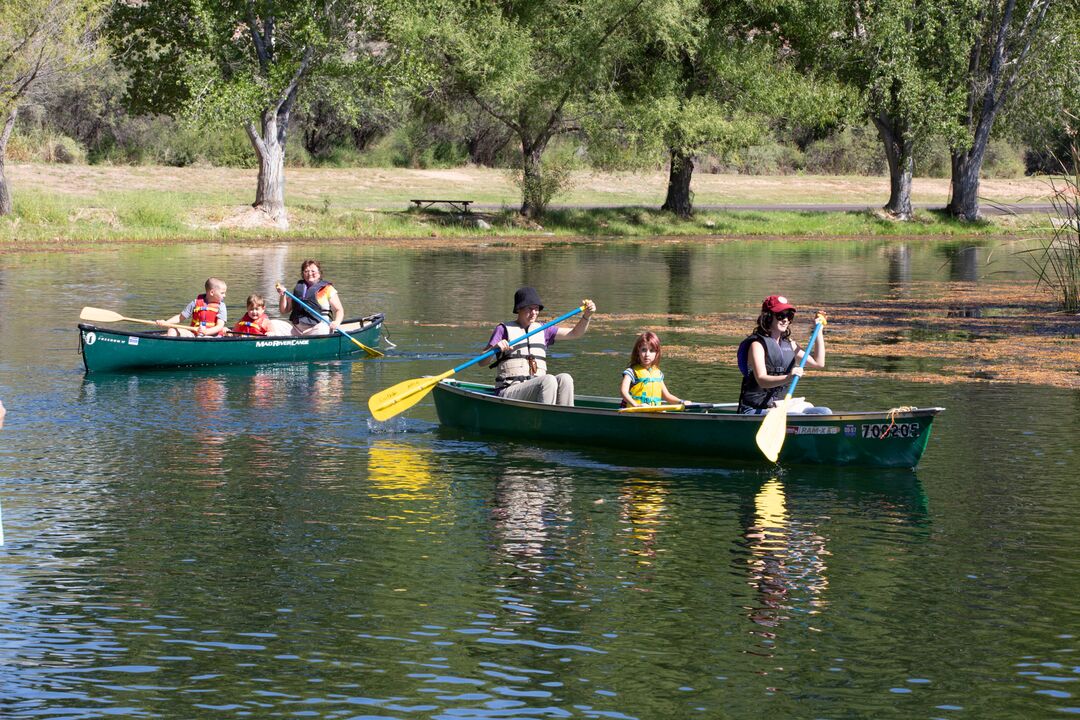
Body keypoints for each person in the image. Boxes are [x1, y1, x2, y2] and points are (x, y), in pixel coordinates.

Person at [483, 286, 596, 405]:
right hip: (509, 391)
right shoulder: (503, 330)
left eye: (536, 309)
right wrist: (495, 348)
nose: (534, 313)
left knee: (565, 378)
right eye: (529, 309)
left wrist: (586, 316)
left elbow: (575, 333)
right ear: (519, 309)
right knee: (548, 380)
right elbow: (482, 362)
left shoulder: (544, 330)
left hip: (536, 388)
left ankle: (566, 418)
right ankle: (545, 417)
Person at [737, 295, 829, 414]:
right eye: (780, 315)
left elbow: (819, 363)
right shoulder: (757, 345)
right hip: (754, 410)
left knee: (824, 412)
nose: (785, 320)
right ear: (768, 317)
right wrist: (789, 377)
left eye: (789, 315)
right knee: (795, 416)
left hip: (779, 406)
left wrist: (819, 331)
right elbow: (762, 380)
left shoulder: (790, 345)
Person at [278, 259, 344, 336]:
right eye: (306, 271)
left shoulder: (328, 289)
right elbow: (284, 310)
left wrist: (336, 322)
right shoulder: (298, 289)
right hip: (297, 330)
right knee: (274, 324)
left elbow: (339, 310)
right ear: (303, 274)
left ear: (319, 273)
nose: (310, 274)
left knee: (322, 330)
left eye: (313, 271)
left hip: (318, 328)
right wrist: (283, 295)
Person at [619, 331, 683, 408]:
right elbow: (623, 392)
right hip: (635, 411)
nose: (647, 354)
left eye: (651, 351)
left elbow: (667, 396)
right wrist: (636, 405)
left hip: (653, 412)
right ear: (638, 351)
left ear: (656, 353)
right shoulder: (631, 372)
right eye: (644, 350)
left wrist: (682, 402)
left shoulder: (658, 373)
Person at [157, 277, 227, 337]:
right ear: (212, 292)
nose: (224, 295)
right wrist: (166, 322)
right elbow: (180, 317)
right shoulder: (195, 303)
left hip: (212, 336)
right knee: (172, 330)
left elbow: (219, 326)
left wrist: (206, 332)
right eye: (222, 293)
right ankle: (170, 349)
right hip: (194, 334)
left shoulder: (221, 306)